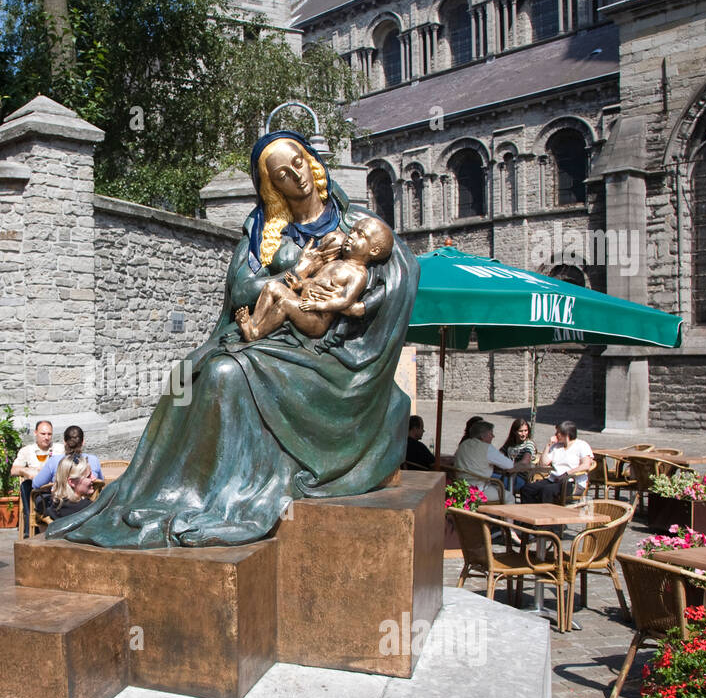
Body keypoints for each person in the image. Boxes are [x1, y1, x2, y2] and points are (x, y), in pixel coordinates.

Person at [46, 131, 417, 548]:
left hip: (330, 350)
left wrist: (358, 307)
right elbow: (242, 290)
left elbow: (401, 274)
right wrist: (295, 273)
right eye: (281, 174)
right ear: (272, 185)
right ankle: (170, 489)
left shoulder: (358, 225)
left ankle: (228, 493)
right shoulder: (263, 232)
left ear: (310, 159)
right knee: (186, 375)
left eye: (297, 160)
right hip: (272, 330)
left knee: (227, 372)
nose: (295, 174)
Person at [233, 216, 392, 342]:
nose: (351, 236)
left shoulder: (358, 274)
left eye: (360, 235)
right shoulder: (336, 262)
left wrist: (318, 305)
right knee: (272, 286)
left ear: (374, 250)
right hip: (303, 304)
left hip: (317, 319)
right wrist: (299, 284)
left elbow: (345, 301)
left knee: (285, 304)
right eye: (353, 231)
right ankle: (253, 323)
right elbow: (316, 282)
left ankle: (254, 334)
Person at [519, 420, 595, 504]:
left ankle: (545, 514)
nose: (555, 435)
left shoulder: (581, 445)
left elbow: (586, 465)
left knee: (547, 491)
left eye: (557, 432)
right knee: (527, 489)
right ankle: (531, 512)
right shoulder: (556, 446)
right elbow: (543, 464)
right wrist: (548, 446)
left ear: (566, 434)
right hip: (553, 479)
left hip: (571, 482)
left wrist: (567, 473)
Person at [12, 420, 64, 535]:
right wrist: (25, 470)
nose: (46, 437)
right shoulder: (27, 451)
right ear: (35, 433)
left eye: (49, 434)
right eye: (43, 434)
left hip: (56, 490)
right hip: (35, 492)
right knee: (25, 485)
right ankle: (28, 531)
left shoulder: (59, 449)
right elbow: (13, 470)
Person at [453, 420, 513, 504]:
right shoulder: (487, 448)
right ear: (482, 436)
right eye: (491, 433)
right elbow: (509, 465)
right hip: (478, 490)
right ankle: (505, 517)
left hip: (460, 487)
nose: (493, 436)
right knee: (510, 497)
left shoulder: (464, 444)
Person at [31, 425, 102, 489]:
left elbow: (36, 484)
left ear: (64, 442)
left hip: (61, 501)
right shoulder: (93, 460)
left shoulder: (54, 461)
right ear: (83, 442)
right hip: (90, 502)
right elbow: (100, 482)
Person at [42, 456, 97, 522]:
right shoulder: (88, 509)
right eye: (88, 476)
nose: (94, 478)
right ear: (72, 482)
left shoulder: (53, 507)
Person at [500, 418, 537, 495]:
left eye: (526, 431)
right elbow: (498, 455)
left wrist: (509, 467)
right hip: (506, 474)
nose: (524, 434)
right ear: (514, 432)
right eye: (520, 431)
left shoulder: (528, 444)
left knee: (496, 484)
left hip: (520, 478)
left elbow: (525, 461)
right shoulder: (510, 444)